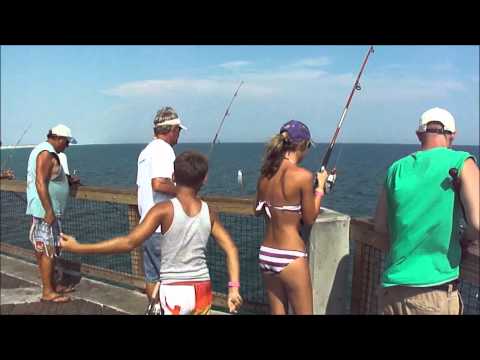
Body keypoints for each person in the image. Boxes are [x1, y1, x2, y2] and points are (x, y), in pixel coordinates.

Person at [60, 151, 243, 315]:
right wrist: (233, 288)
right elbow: (231, 249)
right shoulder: (208, 212)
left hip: (174, 292)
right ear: (204, 179)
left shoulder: (163, 210)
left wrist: (79, 247)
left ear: (173, 177)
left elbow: (129, 242)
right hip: (202, 288)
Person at [374, 107, 479, 315]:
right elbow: (477, 223)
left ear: (419, 134)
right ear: (452, 135)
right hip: (432, 292)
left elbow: (379, 226)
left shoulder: (396, 168)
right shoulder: (461, 162)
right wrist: (464, 238)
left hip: (391, 291)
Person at [254, 120, 329, 314]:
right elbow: (310, 218)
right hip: (291, 254)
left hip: (267, 253)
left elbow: (257, 209)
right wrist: (319, 189)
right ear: (301, 146)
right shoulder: (303, 176)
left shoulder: (265, 174)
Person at [136, 106, 187, 301]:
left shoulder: (146, 152)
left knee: (152, 276)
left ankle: (154, 309)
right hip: (161, 229)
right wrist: (185, 190)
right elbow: (158, 183)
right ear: (172, 130)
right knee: (172, 280)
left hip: (147, 226)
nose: (179, 134)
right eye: (179, 130)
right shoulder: (164, 150)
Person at [26, 124, 78, 303]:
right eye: (67, 142)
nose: (67, 147)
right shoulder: (47, 153)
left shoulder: (42, 150)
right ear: (60, 139)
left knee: (44, 248)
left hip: (43, 210)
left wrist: (67, 181)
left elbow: (50, 179)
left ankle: (51, 286)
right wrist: (49, 210)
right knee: (48, 250)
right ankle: (48, 292)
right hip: (45, 212)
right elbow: (41, 182)